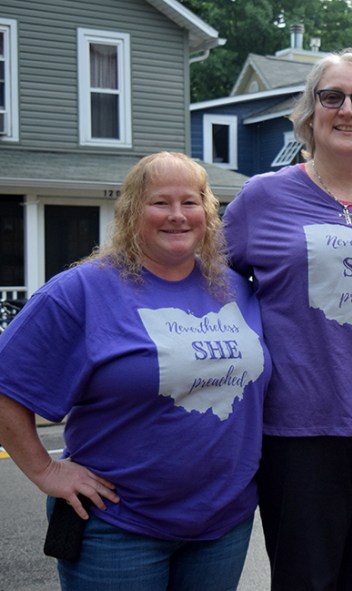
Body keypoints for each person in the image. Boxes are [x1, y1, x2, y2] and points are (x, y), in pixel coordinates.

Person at [0, 152, 271, 590]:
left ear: (208, 211)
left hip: (223, 525)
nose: (178, 216)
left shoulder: (235, 287)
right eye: (160, 202)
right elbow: (5, 383)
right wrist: (46, 471)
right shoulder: (82, 291)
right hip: (119, 528)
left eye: (190, 202)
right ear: (131, 211)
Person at [222, 48, 352, 590]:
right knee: (305, 580)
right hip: (300, 429)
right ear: (310, 113)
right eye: (332, 96)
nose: (347, 109)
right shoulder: (261, 198)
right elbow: (205, 286)